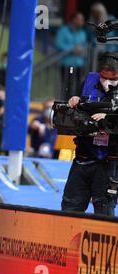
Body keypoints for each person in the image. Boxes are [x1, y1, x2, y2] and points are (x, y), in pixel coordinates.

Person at [61, 52, 118, 216]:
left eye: (113, 79)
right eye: (104, 77)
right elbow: (77, 100)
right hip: (82, 157)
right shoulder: (90, 79)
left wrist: (110, 117)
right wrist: (75, 99)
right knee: (70, 207)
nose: (107, 82)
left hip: (107, 162)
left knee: (104, 210)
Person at [55, 12, 88, 98]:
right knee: (67, 86)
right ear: (74, 20)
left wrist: (83, 50)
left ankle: (76, 102)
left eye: (82, 20)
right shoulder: (63, 30)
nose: (82, 22)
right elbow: (59, 44)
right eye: (80, 19)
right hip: (67, 65)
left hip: (79, 65)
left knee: (79, 85)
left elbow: (85, 45)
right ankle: (66, 102)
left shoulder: (83, 33)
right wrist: (72, 49)